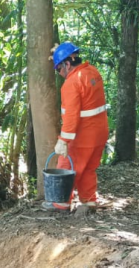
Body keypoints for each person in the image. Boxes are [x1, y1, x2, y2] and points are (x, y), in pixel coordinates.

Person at [48, 42, 109, 216]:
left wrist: (63, 141)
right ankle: (88, 203)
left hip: (83, 136)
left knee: (65, 167)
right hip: (100, 133)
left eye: (58, 69)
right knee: (88, 168)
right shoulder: (93, 72)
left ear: (67, 64)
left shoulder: (72, 83)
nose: (59, 74)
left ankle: (60, 206)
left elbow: (71, 116)